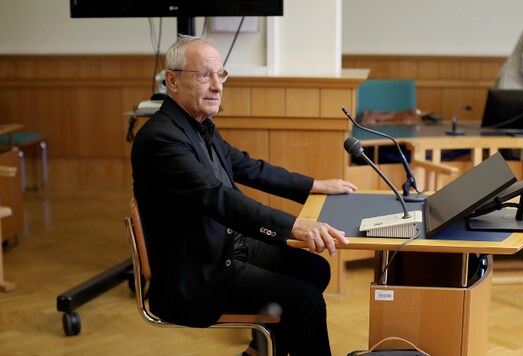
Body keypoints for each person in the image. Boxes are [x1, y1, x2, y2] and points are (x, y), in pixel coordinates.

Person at [131, 35, 357, 356]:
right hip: (197, 272)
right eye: (204, 75)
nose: (217, 85)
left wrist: (312, 184)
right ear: (173, 80)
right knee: (305, 301)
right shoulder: (160, 139)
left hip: (224, 245)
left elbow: (248, 167)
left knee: (314, 270)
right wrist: (294, 225)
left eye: (220, 75)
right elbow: (217, 198)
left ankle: (260, 349)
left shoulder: (196, 124)